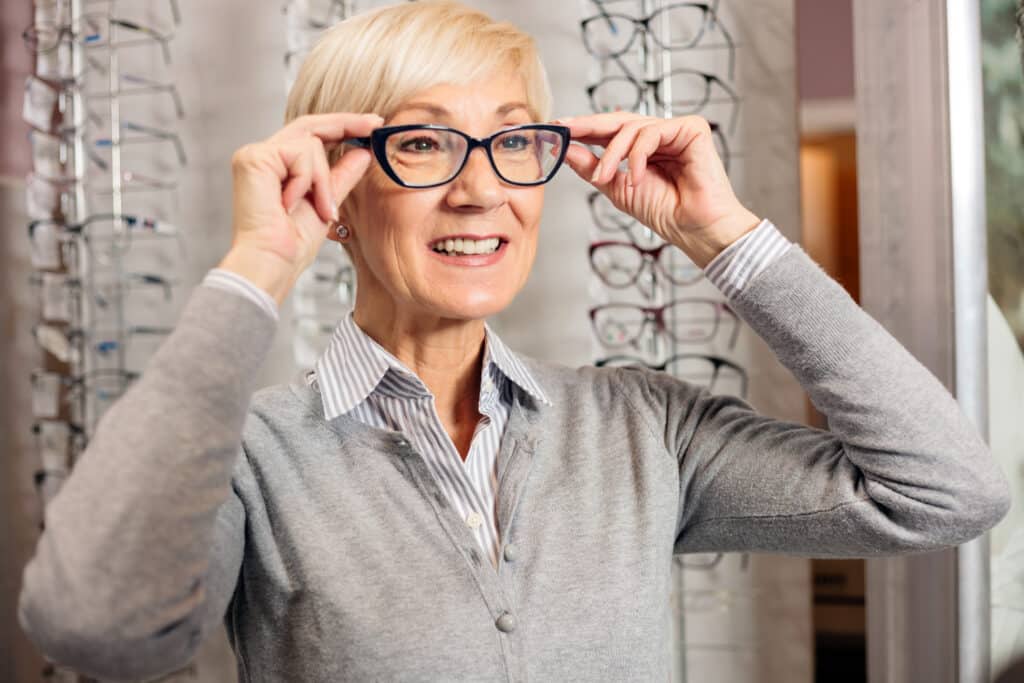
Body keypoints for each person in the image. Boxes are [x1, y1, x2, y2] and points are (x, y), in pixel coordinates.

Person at [17, 1, 1011, 681]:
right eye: (420, 141)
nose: (479, 187)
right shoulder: (248, 457)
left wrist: (727, 238)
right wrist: (256, 265)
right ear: (333, 189)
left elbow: (944, 491)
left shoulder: (642, 426)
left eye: (511, 140)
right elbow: (94, 622)